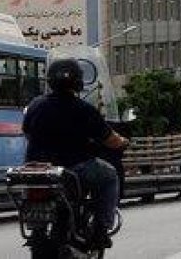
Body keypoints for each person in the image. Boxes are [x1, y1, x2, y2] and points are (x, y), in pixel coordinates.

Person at [23, 59, 129, 249]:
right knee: (110, 175)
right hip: (73, 169)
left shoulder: (35, 105)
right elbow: (110, 140)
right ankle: (101, 230)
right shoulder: (84, 109)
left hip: (38, 170)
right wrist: (123, 141)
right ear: (78, 82)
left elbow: (26, 132)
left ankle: (38, 229)